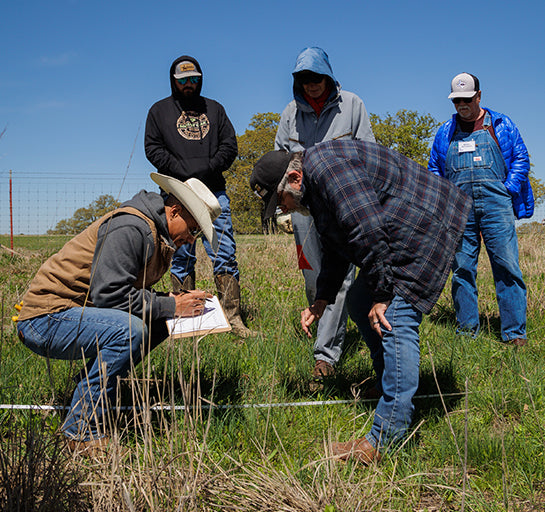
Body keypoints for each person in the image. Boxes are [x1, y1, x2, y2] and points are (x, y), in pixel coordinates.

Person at [250, 140, 471, 464]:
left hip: (426, 226)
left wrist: (383, 296)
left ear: (294, 178)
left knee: (394, 318)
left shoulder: (328, 170)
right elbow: (338, 247)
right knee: (357, 300)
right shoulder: (317, 186)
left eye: (279, 200)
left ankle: (387, 437)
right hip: (399, 231)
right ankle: (388, 382)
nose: (281, 209)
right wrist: (322, 299)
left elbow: (366, 230)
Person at [16, 173, 220, 455]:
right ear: (174, 211)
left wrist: (175, 303)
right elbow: (109, 296)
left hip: (75, 314)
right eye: (194, 229)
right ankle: (81, 432)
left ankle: (86, 394)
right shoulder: (131, 228)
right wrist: (172, 305)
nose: (191, 239)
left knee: (157, 322)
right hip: (46, 320)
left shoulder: (154, 232)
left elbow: (120, 296)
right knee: (130, 331)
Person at [274, 47, 376, 389]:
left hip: (340, 206)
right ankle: (320, 320)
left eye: (316, 78)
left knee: (342, 278)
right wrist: (281, 209)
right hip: (303, 210)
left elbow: (369, 154)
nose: (311, 85)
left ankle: (325, 356)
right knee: (313, 278)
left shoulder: (353, 105)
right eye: (304, 79)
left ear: (328, 77)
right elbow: (279, 161)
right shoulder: (290, 113)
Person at [145, 55, 252, 337]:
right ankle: (184, 320)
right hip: (177, 195)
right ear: (173, 81)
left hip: (214, 193)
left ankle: (233, 318)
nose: (189, 85)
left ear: (201, 80)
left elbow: (230, 145)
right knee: (180, 255)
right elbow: (152, 148)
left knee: (224, 253)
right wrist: (180, 169)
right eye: (183, 81)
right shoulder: (159, 111)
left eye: (194, 79)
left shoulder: (215, 110)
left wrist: (209, 166)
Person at [428, 73, 534, 346]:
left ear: (478, 96)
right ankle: (467, 331)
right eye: (456, 101)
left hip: (497, 205)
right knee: (462, 269)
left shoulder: (501, 124)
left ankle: (514, 333)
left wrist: (508, 189)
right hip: (459, 207)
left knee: (507, 266)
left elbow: (521, 157)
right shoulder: (444, 132)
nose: (461, 105)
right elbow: (435, 170)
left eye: (466, 99)